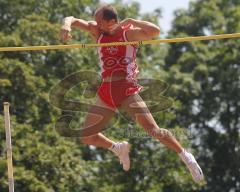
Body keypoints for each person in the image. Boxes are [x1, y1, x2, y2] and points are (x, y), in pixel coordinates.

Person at [60, 4, 203, 183]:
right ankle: (117, 148)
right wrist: (66, 26)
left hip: (126, 89)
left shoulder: (129, 33)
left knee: (154, 131)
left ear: (112, 21)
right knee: (87, 136)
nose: (96, 25)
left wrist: (132, 21)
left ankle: (185, 156)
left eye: (100, 21)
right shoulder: (98, 33)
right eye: (96, 21)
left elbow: (155, 31)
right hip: (107, 90)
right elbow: (73, 19)